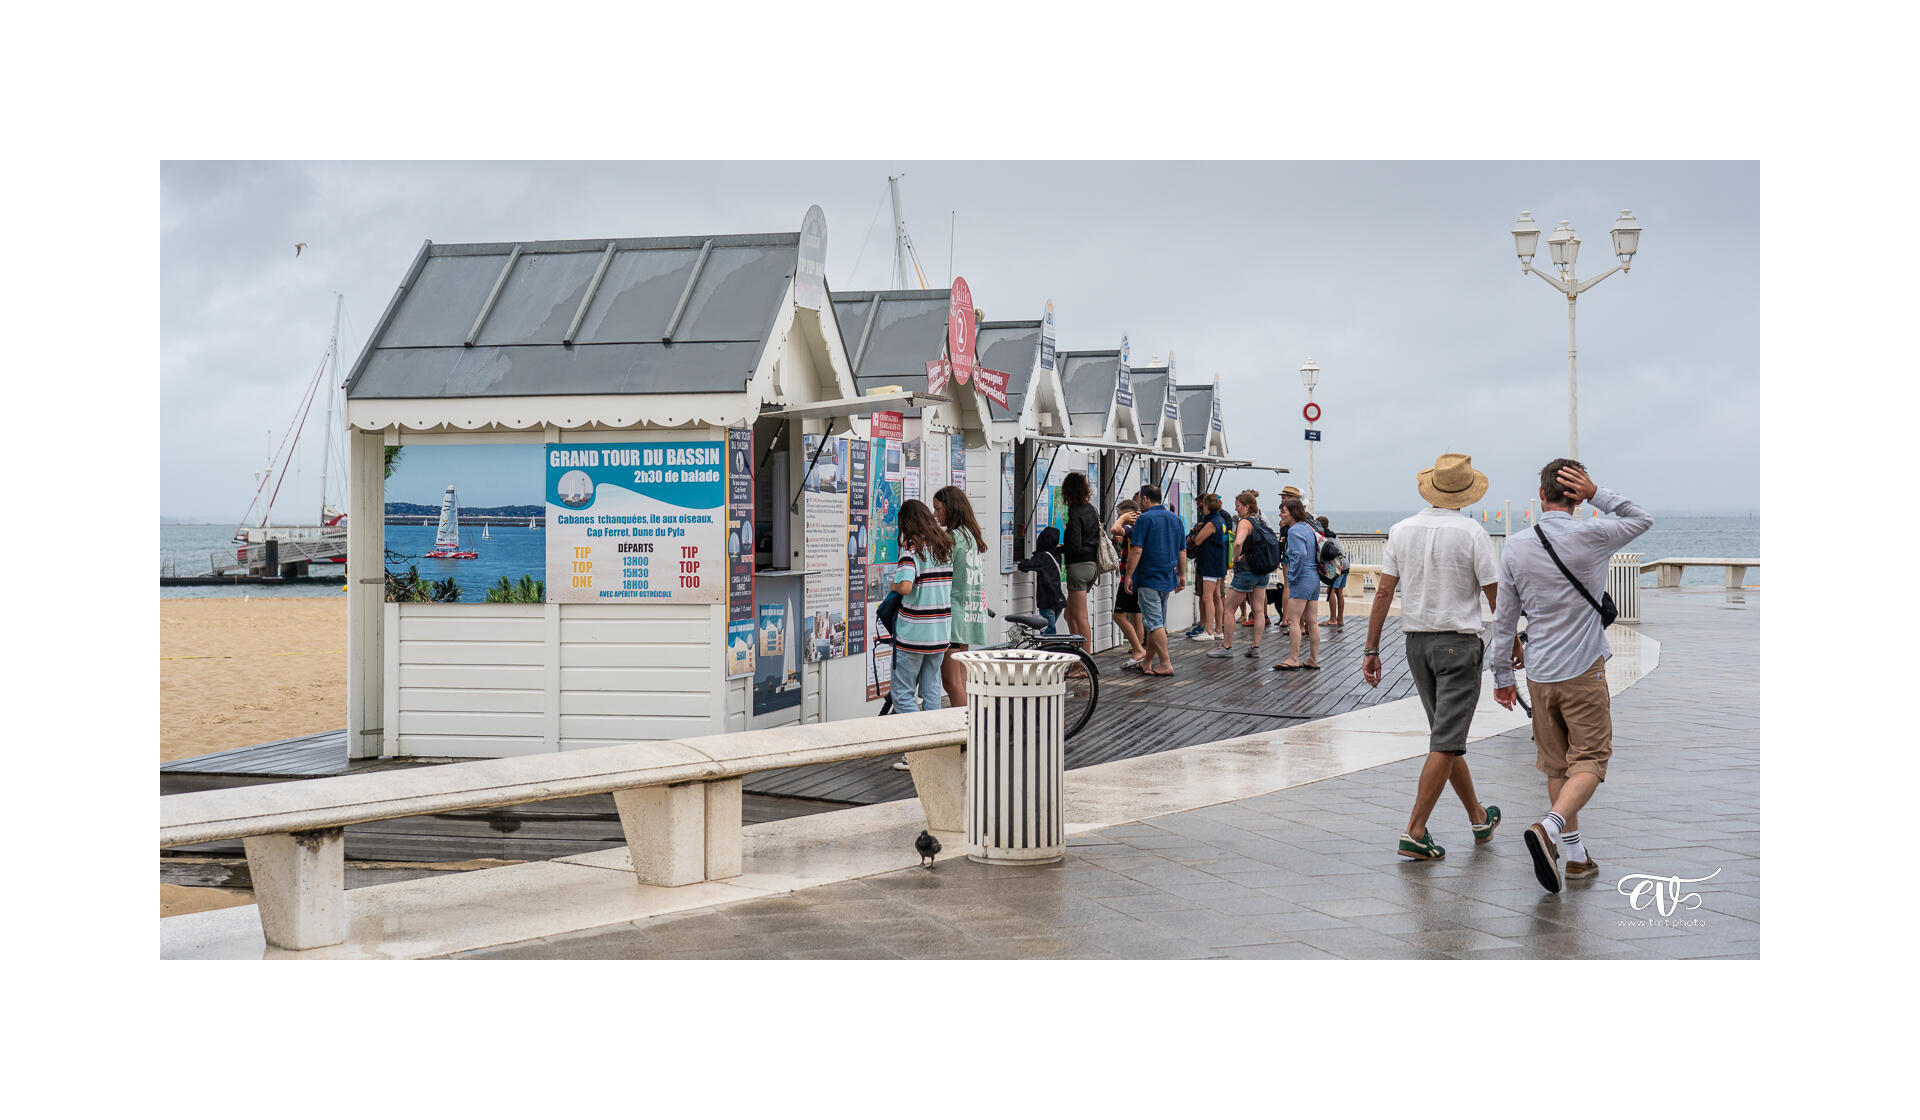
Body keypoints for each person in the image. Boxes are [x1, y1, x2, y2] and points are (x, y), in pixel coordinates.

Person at [1488, 460, 1653, 893]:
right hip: (1582, 670)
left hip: (1539, 673)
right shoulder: (1594, 535)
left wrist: (1503, 675)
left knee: (1556, 762)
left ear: (1540, 496)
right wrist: (1599, 492)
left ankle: (1576, 856)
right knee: (1592, 760)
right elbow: (1642, 518)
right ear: (1576, 499)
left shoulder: (1516, 547)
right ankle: (1550, 828)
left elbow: (1504, 620)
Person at [1361, 453, 1502, 861]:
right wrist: (1512, 640)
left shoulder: (1401, 530)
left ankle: (1478, 817)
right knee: (1445, 740)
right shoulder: (1473, 533)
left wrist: (1371, 648)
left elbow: (1384, 592)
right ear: (1466, 491)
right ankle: (1415, 830)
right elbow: (1495, 595)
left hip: (1416, 646)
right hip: (1458, 644)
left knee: (1446, 737)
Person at [887, 499, 954, 715]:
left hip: (914, 634)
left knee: (902, 695)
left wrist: (892, 584)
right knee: (932, 690)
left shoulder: (911, 549)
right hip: (940, 633)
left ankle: (918, 741)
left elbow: (906, 587)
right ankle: (933, 741)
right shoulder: (944, 547)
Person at [934, 485, 990, 707]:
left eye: (938, 509)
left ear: (951, 508)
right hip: (969, 614)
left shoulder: (951, 538)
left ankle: (963, 733)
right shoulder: (970, 535)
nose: (934, 514)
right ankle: (972, 728)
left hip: (953, 616)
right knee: (963, 680)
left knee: (952, 682)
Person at [1122, 484, 1186, 677]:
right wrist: (1181, 575)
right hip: (1167, 577)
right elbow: (1182, 550)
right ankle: (1147, 662)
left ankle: (1165, 663)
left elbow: (1136, 549)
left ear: (1146, 499)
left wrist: (1129, 576)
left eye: (1141, 498)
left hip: (1148, 577)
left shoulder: (1145, 519)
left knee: (1155, 623)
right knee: (1153, 623)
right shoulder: (1175, 519)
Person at [1208, 490, 1274, 660]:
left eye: (1238, 506)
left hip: (1246, 571)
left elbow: (1238, 542)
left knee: (1229, 609)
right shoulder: (1261, 520)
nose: (1235, 509)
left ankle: (1227, 647)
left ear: (1247, 506)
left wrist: (1235, 558)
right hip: (1262, 571)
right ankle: (1255, 646)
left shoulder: (1245, 522)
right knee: (1259, 610)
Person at [1273, 498, 1324, 670]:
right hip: (1314, 578)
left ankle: (1293, 658)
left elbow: (1300, 554)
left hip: (1302, 578)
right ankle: (1313, 659)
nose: (1280, 514)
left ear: (1293, 512)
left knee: (1293, 620)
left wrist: (1292, 575)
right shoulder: (1308, 528)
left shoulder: (1294, 531)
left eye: (1284, 511)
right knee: (1312, 622)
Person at [1060, 471, 1100, 651]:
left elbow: (1075, 545)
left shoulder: (1075, 512)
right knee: (1069, 614)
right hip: (1092, 566)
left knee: (1080, 616)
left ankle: (1084, 663)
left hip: (1078, 567)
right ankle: (1076, 653)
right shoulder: (1091, 509)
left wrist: (1059, 548)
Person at [1184, 493, 1230, 641]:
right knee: (1217, 596)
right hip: (1219, 562)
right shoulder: (1221, 520)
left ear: (1207, 506)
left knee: (1207, 597)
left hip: (1210, 562)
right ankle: (1218, 630)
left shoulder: (1211, 523)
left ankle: (1209, 630)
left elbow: (1197, 540)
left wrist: (1194, 533)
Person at [1110, 499, 1147, 666]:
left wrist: (1123, 518)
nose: (1119, 517)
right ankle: (1138, 652)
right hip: (1141, 577)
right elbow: (1118, 536)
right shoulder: (1143, 526)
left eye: (1120, 514)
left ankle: (1138, 649)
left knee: (1118, 615)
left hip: (1129, 578)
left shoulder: (1131, 526)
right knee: (1136, 615)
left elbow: (1115, 529)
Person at [1017, 525, 1065, 633]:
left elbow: (1025, 566)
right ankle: (1050, 648)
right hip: (1059, 600)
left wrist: (1022, 561)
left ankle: (1051, 650)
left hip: (1048, 601)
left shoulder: (1043, 557)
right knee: (1048, 629)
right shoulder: (1056, 554)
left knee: (1048, 631)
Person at [1317, 515, 1349, 628]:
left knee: (1330, 591)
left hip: (1338, 566)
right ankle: (1340, 619)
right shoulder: (1334, 535)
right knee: (1339, 592)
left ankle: (1333, 619)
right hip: (1345, 564)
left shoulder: (1325, 538)